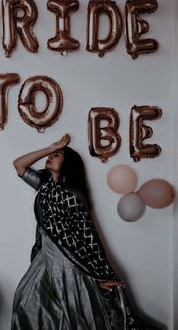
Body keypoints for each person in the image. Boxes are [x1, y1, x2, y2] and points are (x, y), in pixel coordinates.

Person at [11, 134, 162, 330]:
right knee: (27, 308)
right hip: (44, 262)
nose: (50, 157)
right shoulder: (45, 186)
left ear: (68, 165)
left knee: (71, 319)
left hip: (70, 265)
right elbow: (19, 165)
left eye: (57, 155)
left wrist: (100, 276)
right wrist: (51, 148)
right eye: (52, 155)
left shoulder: (74, 197)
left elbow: (87, 237)